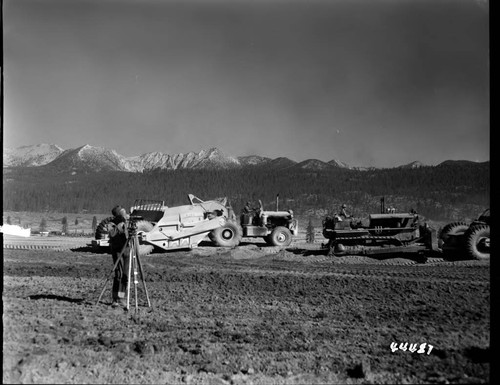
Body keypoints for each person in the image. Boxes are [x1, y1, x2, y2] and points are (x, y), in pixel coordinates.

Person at [108, 205, 130, 308]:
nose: (125, 214)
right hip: (118, 251)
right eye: (123, 212)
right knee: (119, 274)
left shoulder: (127, 222)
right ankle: (115, 298)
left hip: (127, 250)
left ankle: (122, 297)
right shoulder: (112, 224)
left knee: (125, 275)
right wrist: (120, 226)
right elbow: (112, 234)